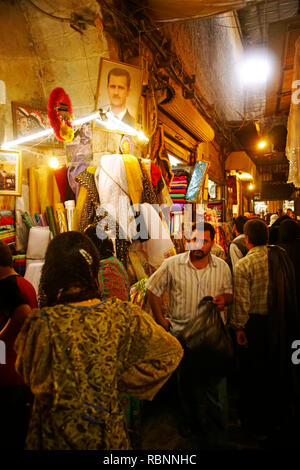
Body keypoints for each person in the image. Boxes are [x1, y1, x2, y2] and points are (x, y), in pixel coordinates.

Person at [15, 231, 183, 450]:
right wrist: (117, 379)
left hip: (54, 436)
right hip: (106, 434)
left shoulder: (42, 324)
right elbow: (170, 352)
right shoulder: (121, 315)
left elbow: (27, 372)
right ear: (93, 268)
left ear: (52, 272)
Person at [146, 222, 233, 449]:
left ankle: (217, 435)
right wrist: (161, 321)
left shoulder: (222, 267)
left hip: (213, 341)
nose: (198, 246)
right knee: (186, 385)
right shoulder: (172, 265)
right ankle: (189, 422)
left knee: (216, 390)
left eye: (204, 241)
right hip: (182, 336)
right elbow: (152, 289)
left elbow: (230, 295)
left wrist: (225, 300)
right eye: (194, 240)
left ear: (212, 243)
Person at [231, 219, 299, 446]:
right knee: (276, 370)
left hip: (256, 327)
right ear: (268, 237)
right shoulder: (281, 257)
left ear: (247, 240)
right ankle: (278, 420)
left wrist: (239, 328)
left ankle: (257, 426)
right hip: (279, 323)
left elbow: (241, 303)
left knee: (254, 376)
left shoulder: (243, 266)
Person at [0, 241, 38, 450]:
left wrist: (1, 340)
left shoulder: (6, 286)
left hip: (8, 376)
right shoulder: (27, 285)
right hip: (23, 373)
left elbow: (23, 314)